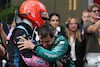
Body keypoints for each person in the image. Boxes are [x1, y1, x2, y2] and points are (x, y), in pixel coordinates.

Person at [6, 0, 50, 67]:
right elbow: (28, 58)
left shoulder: (27, 31)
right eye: (42, 17)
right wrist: (47, 63)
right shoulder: (20, 31)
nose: (43, 21)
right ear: (33, 13)